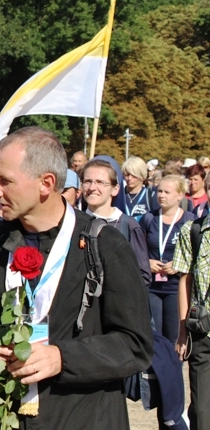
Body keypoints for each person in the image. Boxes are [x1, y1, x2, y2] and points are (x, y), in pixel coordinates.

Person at [0, 127, 152, 430]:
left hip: (84, 417)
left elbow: (135, 345)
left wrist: (63, 358)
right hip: (8, 417)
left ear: (46, 184)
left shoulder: (105, 246)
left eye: (5, 181)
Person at [140, 175, 195, 344]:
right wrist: (147, 262)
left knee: (174, 336)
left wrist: (179, 265)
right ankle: (156, 370)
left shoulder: (189, 220)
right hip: (152, 286)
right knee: (154, 334)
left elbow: (197, 256)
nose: (161, 195)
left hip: (176, 287)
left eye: (167, 192)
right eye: (159, 191)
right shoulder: (149, 218)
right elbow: (137, 249)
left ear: (180, 195)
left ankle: (173, 369)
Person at [80, 158, 151, 286]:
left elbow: (143, 276)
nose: (92, 187)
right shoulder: (74, 223)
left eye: (100, 182)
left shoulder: (128, 226)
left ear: (115, 189)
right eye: (87, 181)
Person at [174, 197, 210, 429]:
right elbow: (185, 281)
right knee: (202, 410)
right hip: (202, 332)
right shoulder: (193, 230)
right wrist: (182, 331)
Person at [122, 156, 160, 221]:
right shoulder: (119, 195)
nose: (129, 178)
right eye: (127, 174)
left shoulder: (151, 196)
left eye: (134, 175)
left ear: (142, 176)